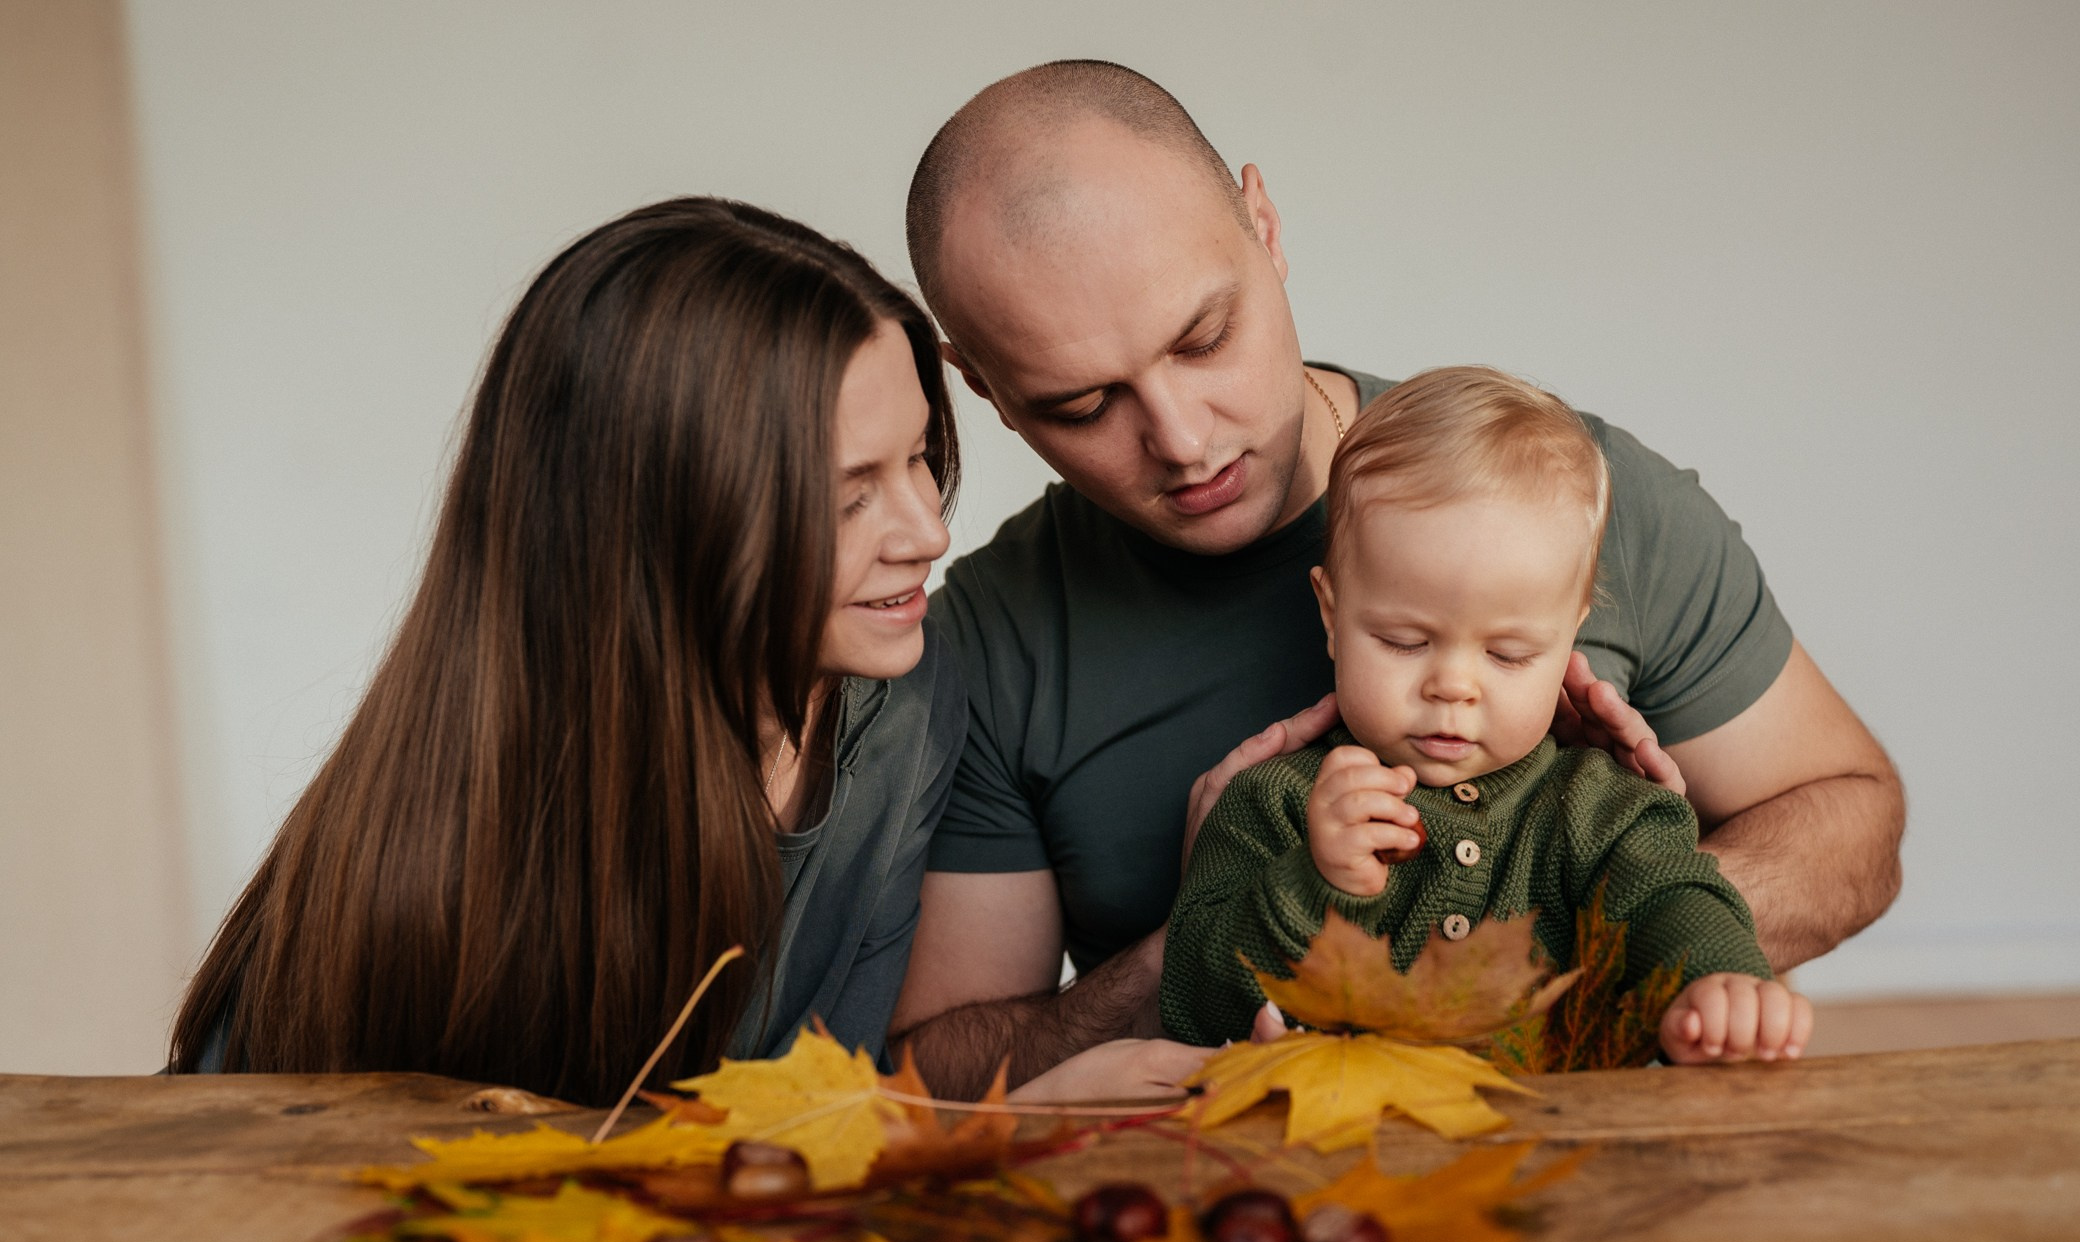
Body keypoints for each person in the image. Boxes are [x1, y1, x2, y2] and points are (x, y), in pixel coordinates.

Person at [889, 60, 1898, 1100]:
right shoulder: (985, 641)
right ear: (985, 388)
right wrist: (1205, 922)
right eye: (1083, 403)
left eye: (1204, 338)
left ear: (1264, 225)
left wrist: (1598, 888)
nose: (1183, 441)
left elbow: (1855, 822)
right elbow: (929, 1072)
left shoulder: (1566, 501)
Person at [168, 197, 966, 1106]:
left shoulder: (909, 703)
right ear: (667, 522)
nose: (930, 531)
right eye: (849, 496)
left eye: (917, 459)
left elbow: (822, 1115)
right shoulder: (447, 854)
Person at [1160, 366, 1813, 1066]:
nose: (1453, 686)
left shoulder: (1597, 805)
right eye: (1403, 641)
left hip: (1564, 1150)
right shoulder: (1276, 803)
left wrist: (1725, 985)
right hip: (1348, 1154)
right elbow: (1195, 1004)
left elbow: (1674, 896)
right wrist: (1314, 880)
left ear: (1570, 638)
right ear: (1332, 613)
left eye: (1507, 654)